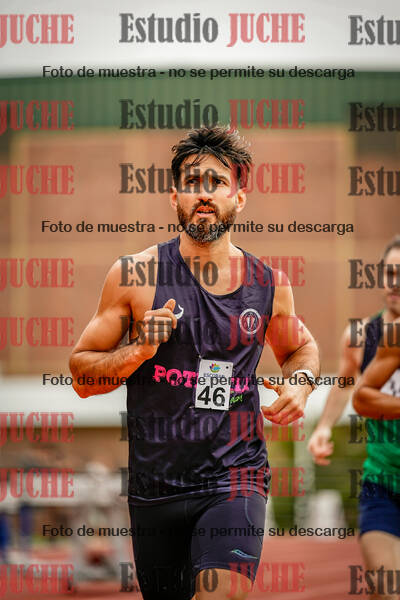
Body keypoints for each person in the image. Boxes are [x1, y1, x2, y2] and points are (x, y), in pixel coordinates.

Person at [70, 125, 319, 600]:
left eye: (217, 182)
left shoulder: (268, 284)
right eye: (191, 182)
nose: (204, 193)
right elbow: (82, 376)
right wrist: (139, 350)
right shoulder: (135, 275)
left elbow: (299, 349)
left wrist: (301, 383)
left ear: (239, 197)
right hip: (155, 488)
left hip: (235, 477)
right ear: (174, 197)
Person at [308, 235, 400, 599]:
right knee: (388, 587)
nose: (395, 283)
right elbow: (347, 386)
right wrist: (323, 428)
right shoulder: (362, 335)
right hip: (383, 480)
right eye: (390, 273)